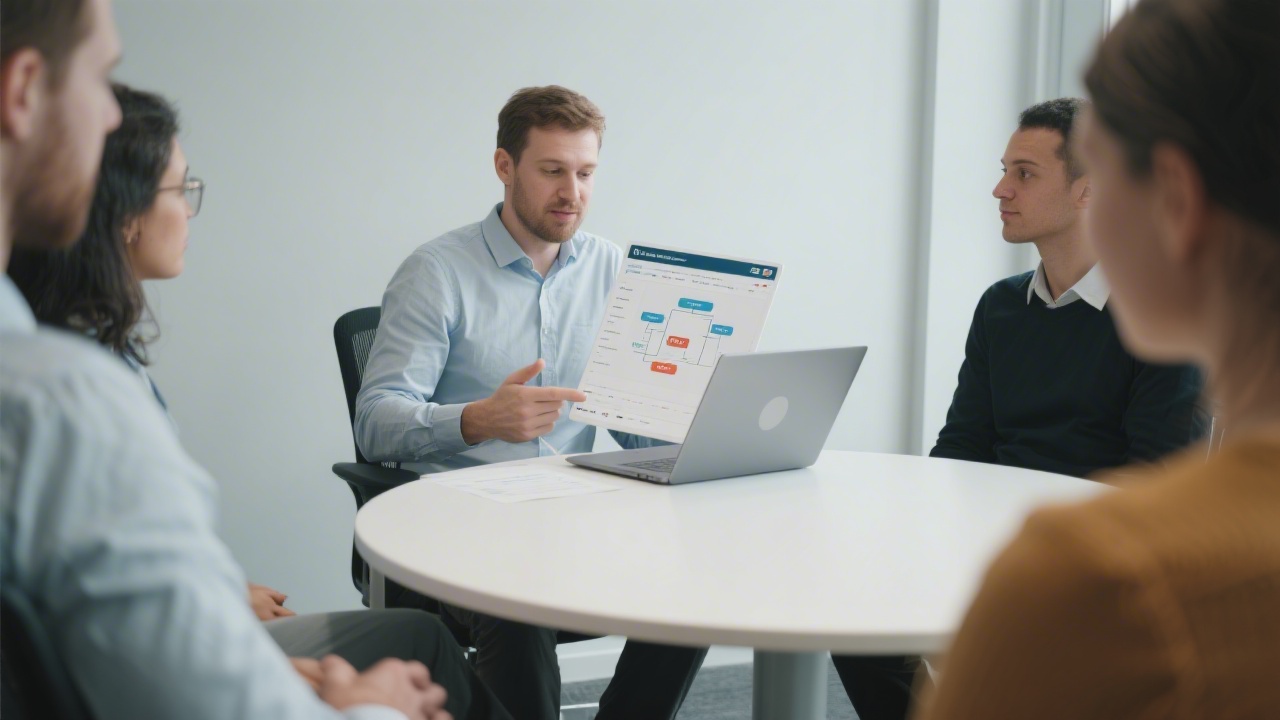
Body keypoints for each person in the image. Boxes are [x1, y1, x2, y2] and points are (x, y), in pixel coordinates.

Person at [6, 81, 511, 720]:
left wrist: (224, 594)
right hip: (183, 670)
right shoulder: (78, 395)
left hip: (196, 636)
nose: (190, 210)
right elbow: (154, 647)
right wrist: (343, 695)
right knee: (426, 644)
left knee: (422, 638)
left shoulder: (82, 354)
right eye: (180, 189)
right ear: (124, 213)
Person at [916, 0, 1280, 716]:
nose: (1000, 191)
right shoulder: (1001, 306)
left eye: (1113, 174)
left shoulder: (1093, 577)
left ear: (1174, 198)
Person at [354, 85, 707, 720]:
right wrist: (475, 420)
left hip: (574, 518)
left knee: (698, 576)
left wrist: (690, 430)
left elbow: (628, 422)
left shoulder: (611, 269)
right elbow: (376, 418)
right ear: (505, 167)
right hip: (458, 523)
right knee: (515, 598)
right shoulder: (436, 272)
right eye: (552, 171)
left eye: (586, 172)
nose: (571, 192)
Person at [929, 97, 1204, 479]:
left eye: (1024, 174)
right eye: (1005, 170)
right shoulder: (999, 304)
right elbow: (961, 445)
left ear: (1088, 191)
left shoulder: (1165, 314)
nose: (999, 189)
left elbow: (1155, 480)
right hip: (993, 525)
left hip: (1094, 534)